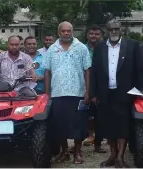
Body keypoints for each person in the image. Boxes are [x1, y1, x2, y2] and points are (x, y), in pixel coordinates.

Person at [90, 20, 143, 168]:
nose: (114, 31)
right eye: (111, 29)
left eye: (116, 29)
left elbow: (140, 70)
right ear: (106, 30)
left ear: (121, 30)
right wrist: (93, 93)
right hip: (104, 93)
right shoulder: (100, 47)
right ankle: (113, 155)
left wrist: (139, 90)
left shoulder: (132, 45)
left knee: (123, 126)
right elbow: (94, 71)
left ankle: (121, 157)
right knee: (108, 126)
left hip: (125, 93)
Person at [44, 21, 92, 164]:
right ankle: (64, 151)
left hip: (78, 92)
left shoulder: (81, 48)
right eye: (63, 31)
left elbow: (87, 71)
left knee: (79, 124)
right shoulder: (52, 49)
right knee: (59, 125)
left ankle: (77, 152)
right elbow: (47, 72)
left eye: (69, 31)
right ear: (59, 33)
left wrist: (88, 92)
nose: (66, 33)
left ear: (73, 32)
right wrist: (47, 95)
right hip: (58, 93)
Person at [82, 25, 105, 152]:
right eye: (91, 33)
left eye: (97, 34)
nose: (94, 36)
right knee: (84, 114)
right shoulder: (81, 48)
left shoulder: (105, 48)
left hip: (100, 86)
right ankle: (86, 137)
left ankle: (98, 143)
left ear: (101, 36)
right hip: (84, 85)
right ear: (87, 35)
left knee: (99, 115)